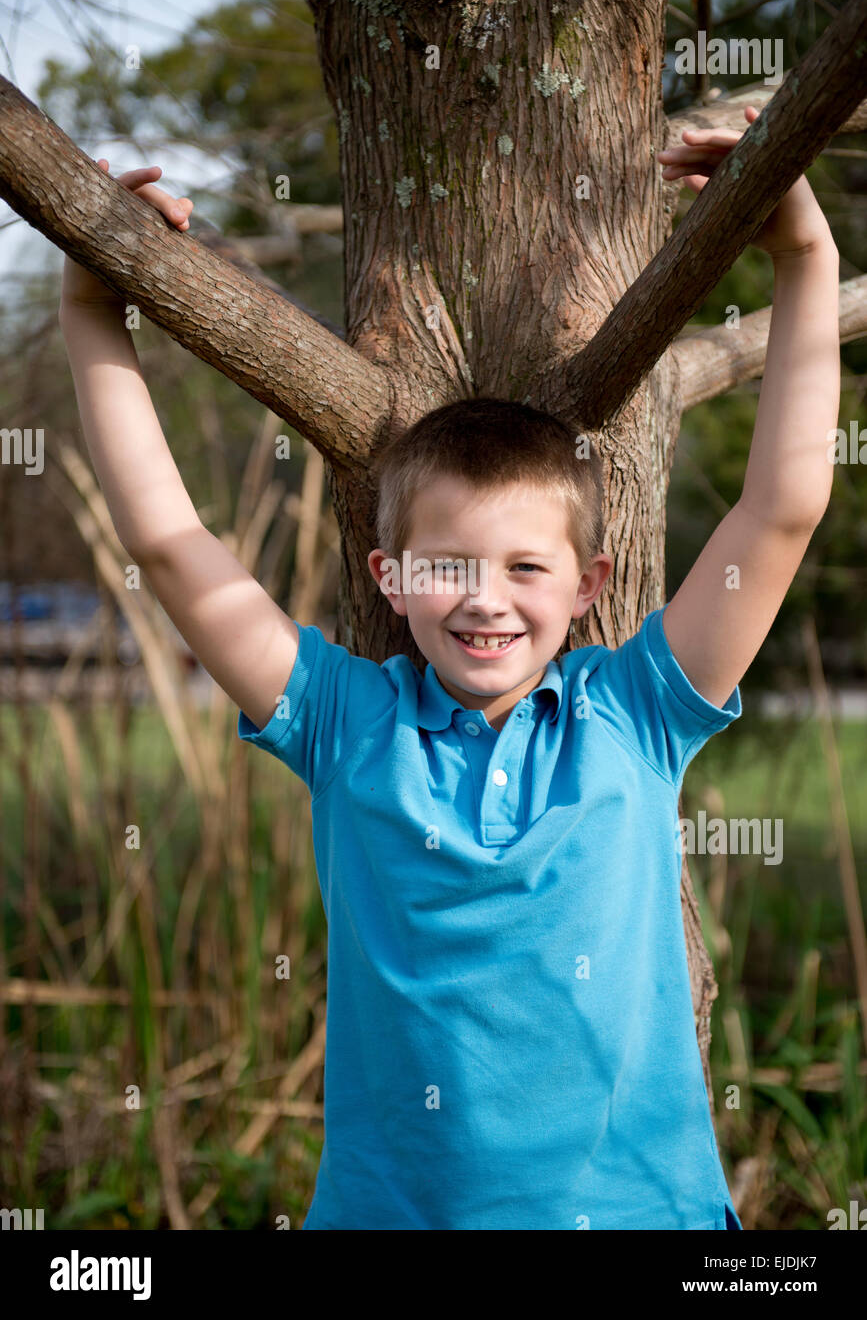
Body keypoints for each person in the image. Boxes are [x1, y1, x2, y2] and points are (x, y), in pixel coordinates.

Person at [58, 109, 840, 1228]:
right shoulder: (343, 721)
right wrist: (98, 306)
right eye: (448, 565)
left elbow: (783, 509)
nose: (485, 595)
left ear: (588, 584)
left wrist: (805, 254)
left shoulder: (634, 715)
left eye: (527, 564)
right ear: (389, 575)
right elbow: (170, 546)